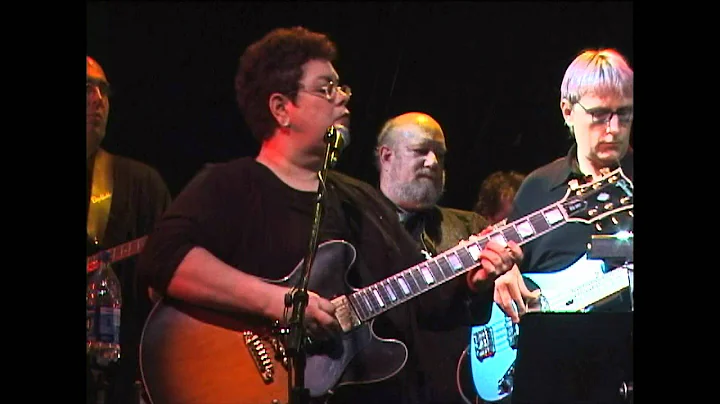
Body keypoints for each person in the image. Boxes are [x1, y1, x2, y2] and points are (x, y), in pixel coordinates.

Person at [134, 26, 521, 404]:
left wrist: (470, 281)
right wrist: (280, 301)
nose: (343, 100)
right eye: (326, 89)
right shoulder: (231, 184)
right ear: (281, 108)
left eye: (341, 87)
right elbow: (163, 259)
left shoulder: (361, 200)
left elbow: (420, 304)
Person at [491, 48, 633, 401]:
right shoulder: (540, 186)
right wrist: (503, 273)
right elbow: (504, 257)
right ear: (568, 111)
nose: (613, 129)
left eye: (625, 114)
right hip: (552, 378)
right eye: (600, 115)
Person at [375, 112, 492, 403]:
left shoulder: (470, 228)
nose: (433, 162)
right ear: (387, 156)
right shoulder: (356, 225)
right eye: (421, 151)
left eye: (440, 154)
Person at [86, 56, 172, 404]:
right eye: (86, 89)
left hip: (120, 377)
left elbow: (170, 276)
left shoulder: (141, 183)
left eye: (103, 89)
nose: (98, 99)